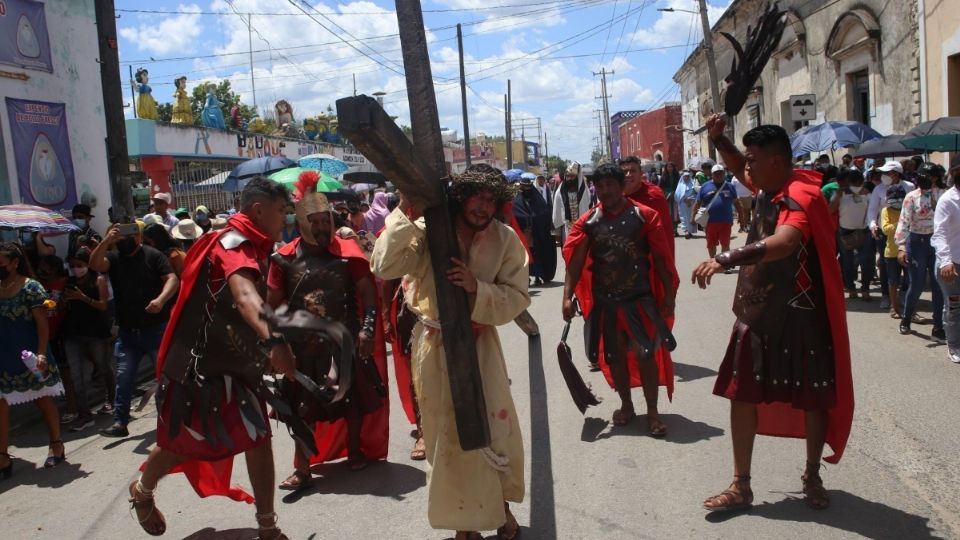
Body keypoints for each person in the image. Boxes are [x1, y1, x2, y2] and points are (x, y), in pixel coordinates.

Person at [693, 117, 854, 513]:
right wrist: (718, 138)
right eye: (746, 160)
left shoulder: (801, 194)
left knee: (814, 398)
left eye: (753, 161)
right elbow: (734, 165)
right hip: (758, 309)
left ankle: (811, 474)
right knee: (740, 394)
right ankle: (740, 484)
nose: (745, 169)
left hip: (803, 313)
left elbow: (785, 241)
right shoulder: (768, 183)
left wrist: (725, 258)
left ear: (778, 162)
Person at [131, 177, 295, 538]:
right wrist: (275, 340)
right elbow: (244, 297)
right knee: (179, 448)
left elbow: (253, 306)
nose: (286, 218)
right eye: (282, 211)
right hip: (198, 373)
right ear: (258, 210)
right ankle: (142, 492)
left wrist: (263, 345)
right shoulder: (233, 243)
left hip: (238, 370)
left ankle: (267, 526)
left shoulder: (258, 245)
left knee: (258, 439)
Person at [371, 166, 527, 540]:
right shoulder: (427, 232)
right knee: (446, 437)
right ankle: (464, 525)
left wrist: (478, 289)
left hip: (480, 348)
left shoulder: (504, 239)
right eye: (477, 196)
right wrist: (407, 210)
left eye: (491, 200)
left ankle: (501, 511)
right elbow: (383, 265)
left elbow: (518, 297)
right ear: (461, 197)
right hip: (434, 347)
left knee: (492, 430)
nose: (483, 207)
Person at [266, 171, 388, 489]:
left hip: (342, 341)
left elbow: (368, 295)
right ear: (302, 222)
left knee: (352, 402)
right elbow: (272, 306)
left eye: (325, 221)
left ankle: (356, 451)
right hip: (301, 346)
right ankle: (303, 467)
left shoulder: (347, 254)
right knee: (300, 409)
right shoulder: (283, 259)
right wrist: (277, 344)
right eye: (314, 222)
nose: (321, 228)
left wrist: (368, 329)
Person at [562, 163, 677, 435]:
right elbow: (575, 261)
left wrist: (669, 296)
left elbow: (661, 258)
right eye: (599, 186)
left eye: (610, 185)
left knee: (645, 354)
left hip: (640, 299)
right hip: (607, 302)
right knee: (615, 356)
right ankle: (627, 405)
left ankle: (652, 411)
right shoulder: (589, 221)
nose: (605, 191)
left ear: (621, 185)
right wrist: (567, 296)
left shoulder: (644, 215)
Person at [89, 222, 179, 438]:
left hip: (155, 330)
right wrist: (106, 241)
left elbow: (172, 279)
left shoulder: (153, 255)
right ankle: (120, 422)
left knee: (166, 377)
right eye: (117, 236)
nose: (121, 239)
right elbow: (94, 265)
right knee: (124, 378)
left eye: (124, 235)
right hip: (128, 333)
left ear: (137, 237)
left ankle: (171, 420)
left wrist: (160, 299)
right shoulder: (114, 258)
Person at [0, 242, 66, 476]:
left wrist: (40, 353)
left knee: (42, 399)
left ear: (15, 263)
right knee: (1, 404)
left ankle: (56, 444)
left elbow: (42, 324)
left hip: (30, 354)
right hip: (4, 356)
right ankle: (3, 457)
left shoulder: (31, 288)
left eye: (2, 264)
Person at [60, 248, 113, 432]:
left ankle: (112, 400)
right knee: (77, 376)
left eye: (79, 265)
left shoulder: (97, 280)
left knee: (102, 367)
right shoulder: (69, 282)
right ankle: (85, 415)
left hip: (95, 333)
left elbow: (103, 305)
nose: (76, 269)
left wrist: (82, 298)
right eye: (73, 266)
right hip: (73, 334)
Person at [896, 163, 945, 340]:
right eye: (927, 176)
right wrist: (901, 246)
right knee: (916, 285)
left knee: (938, 286)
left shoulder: (942, 194)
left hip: (936, 243)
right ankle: (906, 319)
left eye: (933, 177)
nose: (930, 180)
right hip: (917, 243)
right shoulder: (911, 197)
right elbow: (904, 222)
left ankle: (938, 326)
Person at [868, 161, 916, 310]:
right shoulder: (878, 189)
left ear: (896, 173)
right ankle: (886, 295)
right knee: (884, 264)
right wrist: (873, 225)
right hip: (886, 231)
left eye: (888, 173)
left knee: (907, 263)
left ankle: (903, 294)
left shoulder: (910, 186)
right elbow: (872, 210)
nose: (885, 176)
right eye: (884, 173)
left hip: (907, 230)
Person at [932, 155, 960, 363]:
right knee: (954, 307)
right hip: (951, 263)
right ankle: (954, 345)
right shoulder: (947, 199)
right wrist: (946, 261)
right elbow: (939, 233)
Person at [620, 156, 675, 256]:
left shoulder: (654, 195)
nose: (628, 175)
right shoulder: (615, 196)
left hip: (649, 258)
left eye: (633, 171)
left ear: (641, 174)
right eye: (624, 172)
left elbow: (664, 233)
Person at [832, 169, 873, 300]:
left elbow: (873, 211)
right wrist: (837, 197)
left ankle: (865, 288)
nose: (856, 185)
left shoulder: (867, 193)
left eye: (859, 182)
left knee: (866, 261)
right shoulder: (840, 194)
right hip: (845, 232)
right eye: (854, 183)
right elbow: (829, 210)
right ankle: (850, 288)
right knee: (848, 262)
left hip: (864, 231)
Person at [691, 164, 741, 265]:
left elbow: (736, 202)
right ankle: (713, 262)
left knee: (725, 244)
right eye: (716, 173)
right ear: (712, 175)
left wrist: (742, 216)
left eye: (721, 173)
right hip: (710, 221)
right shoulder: (705, 186)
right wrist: (692, 217)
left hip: (726, 221)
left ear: (724, 174)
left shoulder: (730, 186)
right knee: (711, 244)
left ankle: (724, 264)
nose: (719, 175)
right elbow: (697, 203)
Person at [513, 174, 556, 286]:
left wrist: (535, 219)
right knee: (525, 256)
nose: (526, 189)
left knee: (537, 255)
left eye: (528, 186)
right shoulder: (518, 199)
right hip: (524, 234)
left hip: (538, 233)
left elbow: (543, 213)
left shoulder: (538, 200)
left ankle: (538, 276)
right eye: (524, 186)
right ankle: (526, 277)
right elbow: (515, 213)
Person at [881, 185, 909, 318]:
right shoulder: (886, 211)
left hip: (908, 251)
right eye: (894, 200)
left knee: (909, 281)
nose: (897, 202)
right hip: (891, 252)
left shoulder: (908, 209)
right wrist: (900, 224)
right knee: (893, 281)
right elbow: (885, 229)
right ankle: (894, 306)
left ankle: (908, 306)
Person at [552, 161, 592, 242]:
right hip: (567, 230)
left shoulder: (584, 192)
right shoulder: (559, 193)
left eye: (572, 176)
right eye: (568, 176)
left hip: (582, 229)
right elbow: (557, 214)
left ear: (577, 177)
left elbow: (589, 210)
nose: (569, 178)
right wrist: (558, 233)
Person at [675, 172, 699, 239]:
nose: (686, 178)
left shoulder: (693, 184)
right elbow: (677, 195)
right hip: (682, 204)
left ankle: (690, 231)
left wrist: (690, 199)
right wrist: (684, 199)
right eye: (685, 176)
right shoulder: (680, 185)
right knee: (684, 217)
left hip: (691, 203)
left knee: (690, 217)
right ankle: (686, 231)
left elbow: (696, 194)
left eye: (687, 176)